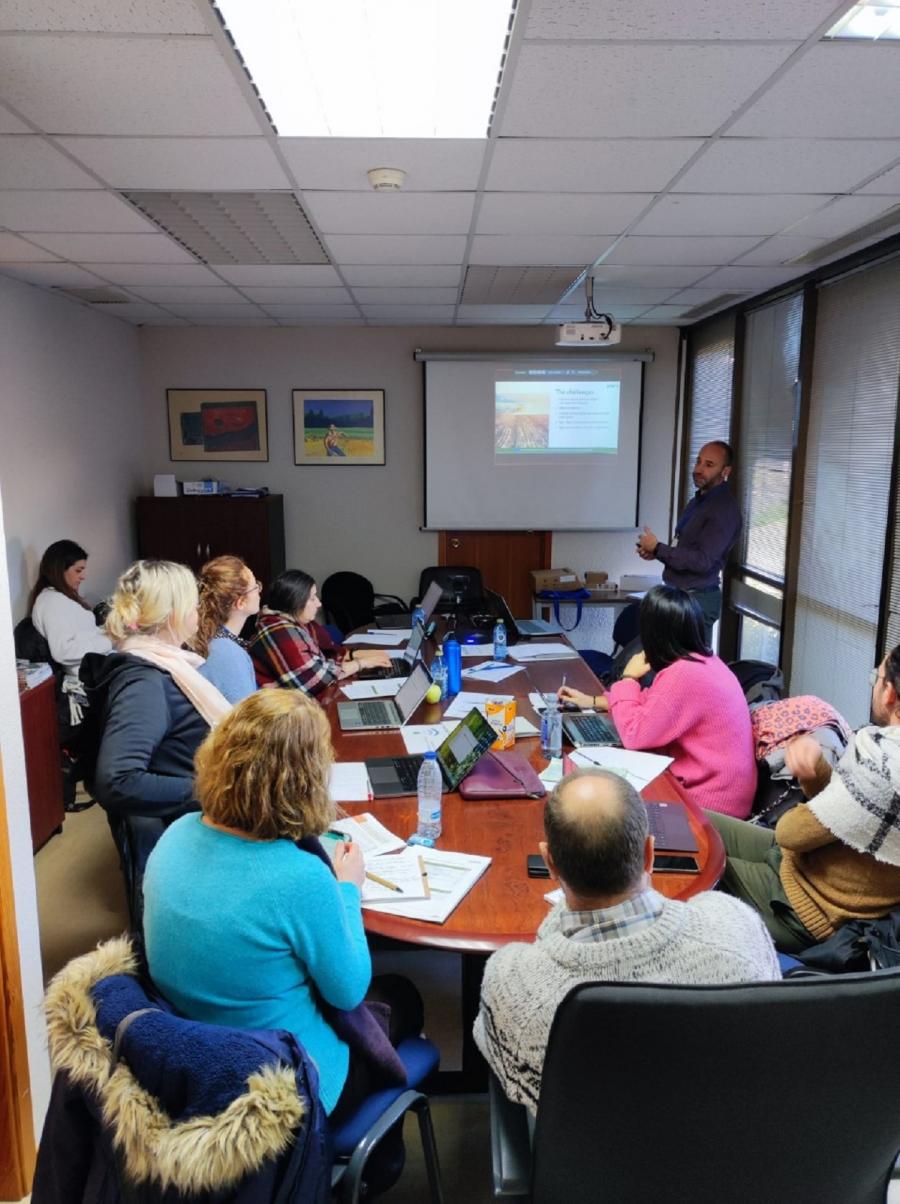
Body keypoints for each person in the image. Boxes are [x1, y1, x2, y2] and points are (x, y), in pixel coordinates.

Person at [143, 689, 424, 1122]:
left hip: (194, 1067)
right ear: (306, 780)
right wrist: (348, 888)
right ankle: (379, 1153)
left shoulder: (175, 835)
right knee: (402, 995)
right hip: (289, 1091)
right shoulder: (300, 878)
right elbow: (348, 991)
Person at [473, 768, 779, 1112]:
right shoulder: (735, 924)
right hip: (730, 1137)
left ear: (550, 864)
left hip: (586, 1146)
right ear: (649, 853)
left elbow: (504, 1063)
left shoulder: (512, 982)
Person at [707, 647, 900, 953]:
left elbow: (791, 832)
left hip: (803, 907)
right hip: (803, 864)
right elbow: (844, 817)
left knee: (690, 858)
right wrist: (815, 771)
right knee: (692, 820)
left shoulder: (885, 768)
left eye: (876, 678)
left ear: (889, 693)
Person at [81, 560, 232, 904]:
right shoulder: (144, 682)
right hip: (184, 833)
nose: (198, 611)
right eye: (193, 603)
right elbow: (117, 780)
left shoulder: (164, 664)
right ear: (172, 613)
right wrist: (213, 790)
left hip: (194, 823)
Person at [559, 585, 757, 817]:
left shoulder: (684, 674)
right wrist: (592, 701)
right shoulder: (704, 661)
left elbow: (634, 735)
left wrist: (628, 678)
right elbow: (652, 703)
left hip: (709, 806)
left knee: (595, 800)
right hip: (724, 796)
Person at [27, 539, 112, 806]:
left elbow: (82, 636)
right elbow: (64, 650)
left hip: (93, 670)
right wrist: (111, 639)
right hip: (83, 681)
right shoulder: (53, 602)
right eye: (78, 570)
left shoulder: (61, 599)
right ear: (59, 569)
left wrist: (109, 633)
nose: (83, 576)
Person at [635, 440, 742, 643]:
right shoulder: (698, 501)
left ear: (725, 471)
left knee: (689, 662)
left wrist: (658, 548)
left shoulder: (723, 509)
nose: (698, 469)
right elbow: (685, 550)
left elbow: (703, 561)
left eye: (709, 465)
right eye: (698, 461)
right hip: (678, 596)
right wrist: (655, 552)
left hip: (696, 601)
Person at [249, 569, 390, 698]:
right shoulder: (281, 632)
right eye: (312, 598)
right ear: (295, 602)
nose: (319, 603)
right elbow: (315, 680)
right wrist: (361, 663)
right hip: (286, 708)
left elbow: (324, 658)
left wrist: (356, 656)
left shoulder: (289, 621)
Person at [193, 554, 261, 703]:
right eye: (255, 586)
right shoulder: (227, 653)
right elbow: (244, 714)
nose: (259, 591)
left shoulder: (213, 640)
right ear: (240, 602)